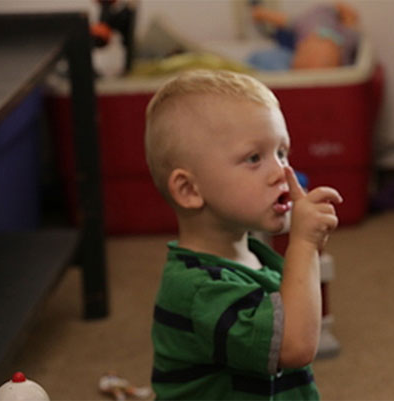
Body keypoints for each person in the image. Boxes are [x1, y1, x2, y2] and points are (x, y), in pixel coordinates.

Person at [144, 69, 343, 400]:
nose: (282, 171)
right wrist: (304, 246)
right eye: (254, 158)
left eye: (282, 152)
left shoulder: (254, 255)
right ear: (189, 189)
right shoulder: (197, 290)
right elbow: (293, 347)